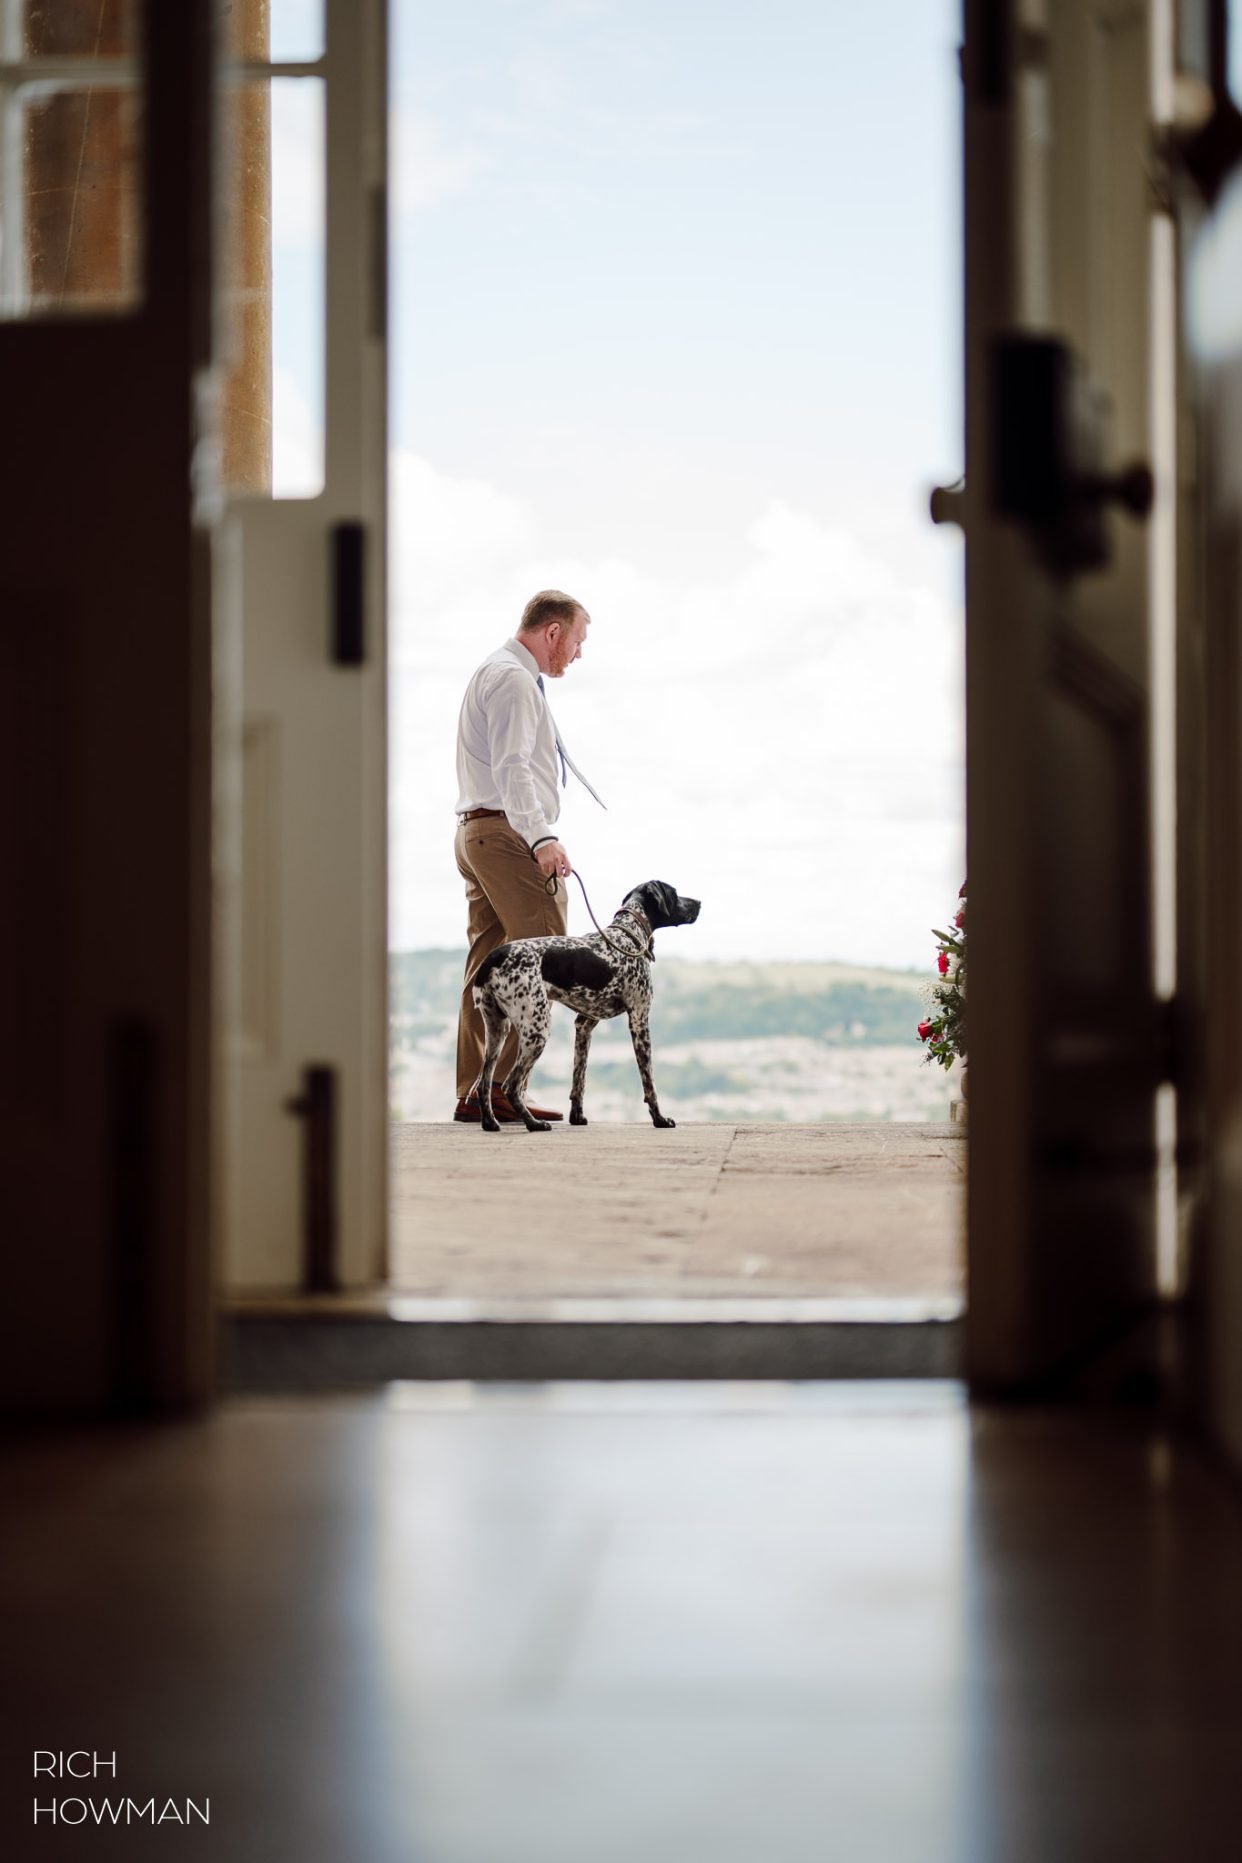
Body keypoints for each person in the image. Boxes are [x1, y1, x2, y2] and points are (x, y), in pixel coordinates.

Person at [452, 589, 603, 1121]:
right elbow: (512, 767)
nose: (578, 654)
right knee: (539, 961)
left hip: (479, 833)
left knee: (488, 965)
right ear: (553, 632)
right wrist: (540, 837)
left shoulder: (495, 670)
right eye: (577, 641)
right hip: (509, 836)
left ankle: (480, 1090)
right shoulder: (515, 679)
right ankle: (501, 1089)